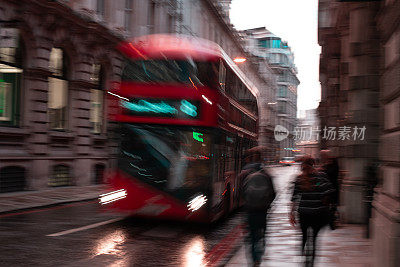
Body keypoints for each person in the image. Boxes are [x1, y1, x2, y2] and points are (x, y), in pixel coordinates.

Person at [290, 156, 335, 267]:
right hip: (317, 213)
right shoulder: (321, 177)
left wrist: (291, 214)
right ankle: (311, 262)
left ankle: (303, 257)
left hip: (303, 213)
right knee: (314, 239)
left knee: (304, 236)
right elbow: (329, 191)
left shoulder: (299, 179)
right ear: (313, 164)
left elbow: (294, 198)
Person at [240, 147, 276, 267]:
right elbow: (273, 193)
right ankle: (258, 258)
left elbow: (240, 193)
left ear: (251, 158)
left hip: (250, 210)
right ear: (261, 158)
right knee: (261, 236)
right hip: (262, 210)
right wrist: (267, 204)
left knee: (251, 237)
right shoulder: (266, 173)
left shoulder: (245, 172)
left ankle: (253, 259)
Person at [320, 149, 339, 229]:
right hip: (326, 188)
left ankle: (332, 221)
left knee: (332, 205)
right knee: (326, 204)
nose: (322, 157)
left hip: (333, 187)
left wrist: (323, 170)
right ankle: (329, 220)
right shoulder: (325, 164)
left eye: (323, 155)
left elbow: (330, 174)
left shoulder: (333, 164)